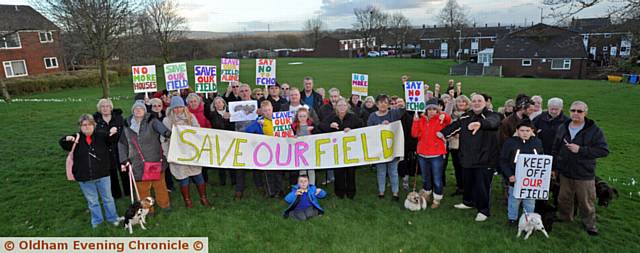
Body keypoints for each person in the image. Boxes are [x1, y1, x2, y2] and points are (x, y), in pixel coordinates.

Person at [440, 94, 501, 222]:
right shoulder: (466, 116)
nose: (476, 103)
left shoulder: (491, 115)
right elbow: (454, 126)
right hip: (468, 157)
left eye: (479, 101)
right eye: (474, 101)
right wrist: (442, 133)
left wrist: (480, 124)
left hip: (485, 159)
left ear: (485, 103)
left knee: (482, 186)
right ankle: (468, 202)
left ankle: (483, 210)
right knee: (468, 182)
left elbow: (494, 122)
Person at [552, 101, 609, 236]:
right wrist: (554, 167)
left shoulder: (594, 130)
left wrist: (581, 150)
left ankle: (590, 224)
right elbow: (556, 147)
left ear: (585, 113)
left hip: (584, 173)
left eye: (579, 111)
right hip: (565, 171)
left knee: (586, 200)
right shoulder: (563, 127)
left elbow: (603, 150)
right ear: (569, 111)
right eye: (573, 110)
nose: (576, 113)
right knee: (563, 198)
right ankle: (565, 217)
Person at [60, 114, 120, 228]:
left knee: (108, 198)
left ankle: (112, 218)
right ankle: (97, 221)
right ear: (80, 126)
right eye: (84, 125)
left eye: (89, 124)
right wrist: (66, 139)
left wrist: (114, 131)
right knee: (93, 202)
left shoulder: (101, 136)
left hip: (102, 175)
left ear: (94, 125)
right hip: (85, 177)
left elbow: (113, 139)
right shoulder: (76, 138)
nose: (87, 127)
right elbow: (63, 144)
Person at [119, 101, 172, 214]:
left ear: (145, 111)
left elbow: (163, 130)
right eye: (136, 108)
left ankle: (164, 205)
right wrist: (123, 159)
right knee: (142, 188)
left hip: (154, 159)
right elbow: (122, 144)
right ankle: (147, 210)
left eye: (141, 108)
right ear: (133, 111)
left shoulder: (152, 121)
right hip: (137, 162)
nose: (138, 110)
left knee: (159, 185)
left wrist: (168, 133)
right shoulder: (126, 125)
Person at [162, 96, 212, 208]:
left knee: (198, 175)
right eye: (175, 108)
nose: (178, 109)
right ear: (172, 108)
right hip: (177, 153)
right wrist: (167, 153)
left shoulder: (190, 117)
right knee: (183, 177)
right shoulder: (167, 120)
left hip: (191, 152)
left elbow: (197, 131)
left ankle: (203, 197)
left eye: (180, 107)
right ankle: (187, 200)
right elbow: (163, 139)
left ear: (184, 107)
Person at [500, 121, 543, 225]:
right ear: (517, 131)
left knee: (530, 201)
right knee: (514, 200)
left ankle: (528, 220)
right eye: (522, 130)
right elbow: (503, 161)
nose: (525, 133)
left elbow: (541, 159)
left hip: (531, 180)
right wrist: (509, 175)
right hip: (515, 178)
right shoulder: (510, 143)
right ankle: (512, 219)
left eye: (527, 131)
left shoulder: (537, 142)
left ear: (532, 131)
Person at [319, 97, 362, 199]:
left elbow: (362, 126)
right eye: (339, 105)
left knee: (351, 171)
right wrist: (330, 126)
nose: (342, 107)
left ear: (347, 106)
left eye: (344, 105)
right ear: (336, 107)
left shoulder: (352, 117)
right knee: (338, 171)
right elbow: (320, 126)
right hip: (336, 150)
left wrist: (352, 130)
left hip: (350, 150)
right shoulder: (331, 117)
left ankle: (351, 192)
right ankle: (339, 192)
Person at [412, 99, 451, 208]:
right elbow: (414, 134)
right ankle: (427, 193)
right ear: (426, 110)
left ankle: (437, 199)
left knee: (437, 178)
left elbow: (449, 120)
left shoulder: (441, 119)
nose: (432, 111)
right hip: (422, 154)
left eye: (434, 109)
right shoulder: (421, 119)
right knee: (425, 177)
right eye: (429, 109)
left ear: (438, 109)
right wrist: (415, 121)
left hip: (436, 154)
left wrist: (443, 114)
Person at [367, 94, 405, 201]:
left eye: (385, 102)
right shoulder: (372, 116)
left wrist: (402, 105)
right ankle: (381, 191)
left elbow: (403, 111)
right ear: (377, 104)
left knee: (393, 171)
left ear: (388, 104)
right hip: (379, 149)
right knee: (381, 170)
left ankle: (395, 192)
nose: (383, 104)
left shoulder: (393, 113)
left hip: (392, 148)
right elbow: (369, 130)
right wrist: (380, 126)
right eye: (380, 102)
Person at [233, 84, 265, 199]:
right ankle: (239, 189)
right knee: (240, 164)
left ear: (250, 91)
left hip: (255, 138)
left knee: (256, 162)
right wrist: (226, 115)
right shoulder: (234, 106)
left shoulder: (257, 105)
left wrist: (262, 113)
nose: (244, 93)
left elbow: (267, 117)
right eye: (242, 91)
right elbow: (228, 120)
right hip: (240, 137)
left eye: (246, 90)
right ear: (238, 93)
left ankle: (259, 185)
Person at [246, 100, 284, 198]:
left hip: (278, 149)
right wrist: (257, 123)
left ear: (272, 109)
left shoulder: (279, 119)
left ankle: (280, 190)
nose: (267, 112)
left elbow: (286, 130)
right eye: (265, 111)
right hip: (265, 151)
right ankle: (271, 192)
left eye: (269, 110)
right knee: (268, 172)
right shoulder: (259, 120)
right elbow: (248, 130)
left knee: (279, 172)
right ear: (262, 111)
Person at [93, 98, 129, 199]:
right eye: (102, 106)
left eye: (107, 106)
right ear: (99, 108)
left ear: (111, 107)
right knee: (111, 172)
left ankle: (128, 191)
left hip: (119, 148)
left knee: (124, 170)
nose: (105, 108)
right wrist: (108, 134)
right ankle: (116, 194)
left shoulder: (118, 118)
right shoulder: (96, 121)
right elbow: (95, 136)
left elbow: (124, 133)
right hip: (105, 150)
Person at [206, 96, 236, 186]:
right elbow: (217, 126)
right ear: (214, 105)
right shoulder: (212, 115)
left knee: (231, 160)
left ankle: (233, 180)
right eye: (216, 103)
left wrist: (229, 119)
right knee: (221, 161)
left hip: (230, 140)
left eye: (220, 102)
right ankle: (222, 181)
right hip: (218, 141)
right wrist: (224, 119)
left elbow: (232, 128)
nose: (218, 104)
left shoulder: (231, 113)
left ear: (224, 103)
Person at [149, 98, 174, 192]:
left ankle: (169, 185)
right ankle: (155, 186)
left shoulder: (166, 116)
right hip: (154, 143)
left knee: (166, 164)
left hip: (165, 142)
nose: (157, 107)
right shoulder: (149, 117)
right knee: (155, 164)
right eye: (154, 106)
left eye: (159, 105)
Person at [448, 95, 471, 196]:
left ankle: (467, 187)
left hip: (466, 146)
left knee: (465, 167)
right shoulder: (452, 115)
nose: (461, 104)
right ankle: (459, 187)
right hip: (454, 145)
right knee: (457, 166)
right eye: (459, 102)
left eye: (464, 102)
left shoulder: (470, 115)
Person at [291, 106, 318, 184]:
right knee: (302, 169)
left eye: (304, 116)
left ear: (307, 116)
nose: (302, 118)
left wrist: (313, 129)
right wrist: (294, 137)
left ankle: (312, 185)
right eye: (300, 116)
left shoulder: (311, 124)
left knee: (311, 169)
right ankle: (302, 185)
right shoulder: (294, 126)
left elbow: (318, 134)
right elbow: (290, 136)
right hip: (300, 152)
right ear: (297, 116)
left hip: (310, 151)